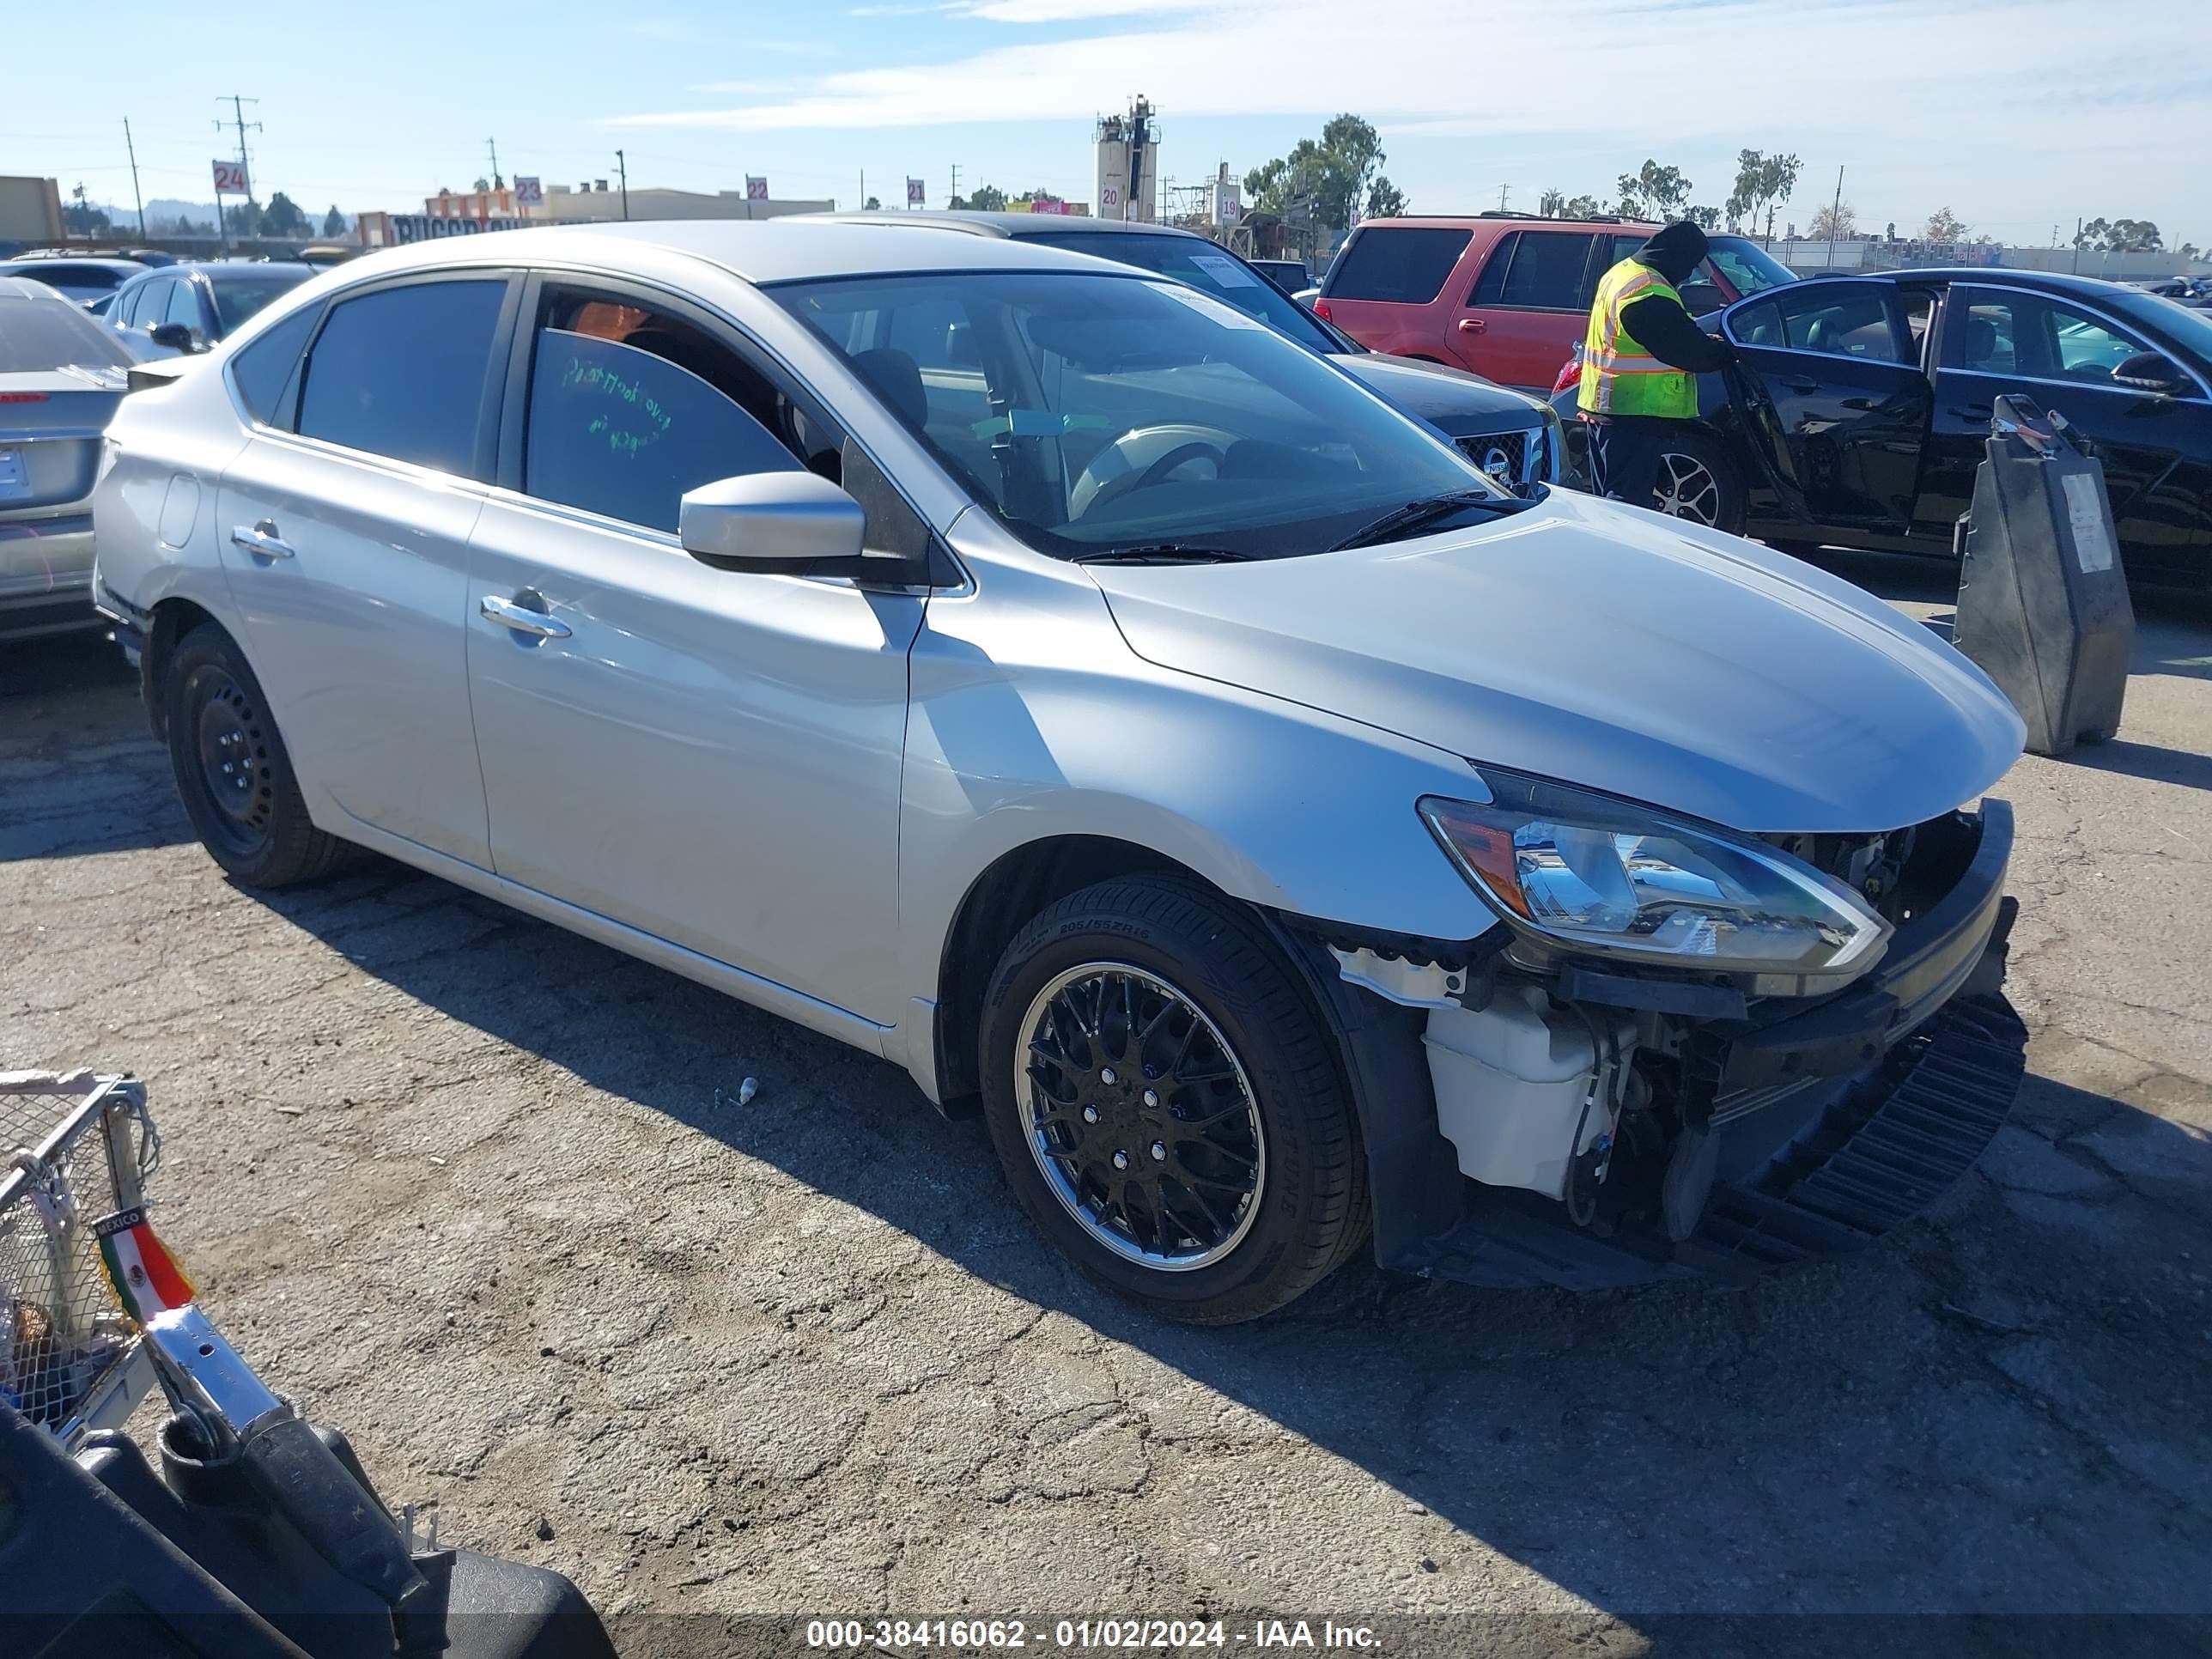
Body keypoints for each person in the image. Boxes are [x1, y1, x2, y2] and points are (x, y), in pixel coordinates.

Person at [1577, 221, 1735, 509]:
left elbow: (1662, 335)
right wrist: (1726, 352)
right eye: (1689, 267)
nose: (1687, 276)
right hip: (1636, 413)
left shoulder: (1622, 273)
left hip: (1608, 407)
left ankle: (1610, 553)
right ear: (1678, 258)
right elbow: (1687, 351)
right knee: (1628, 507)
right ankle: (1624, 556)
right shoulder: (1648, 290)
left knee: (1609, 505)